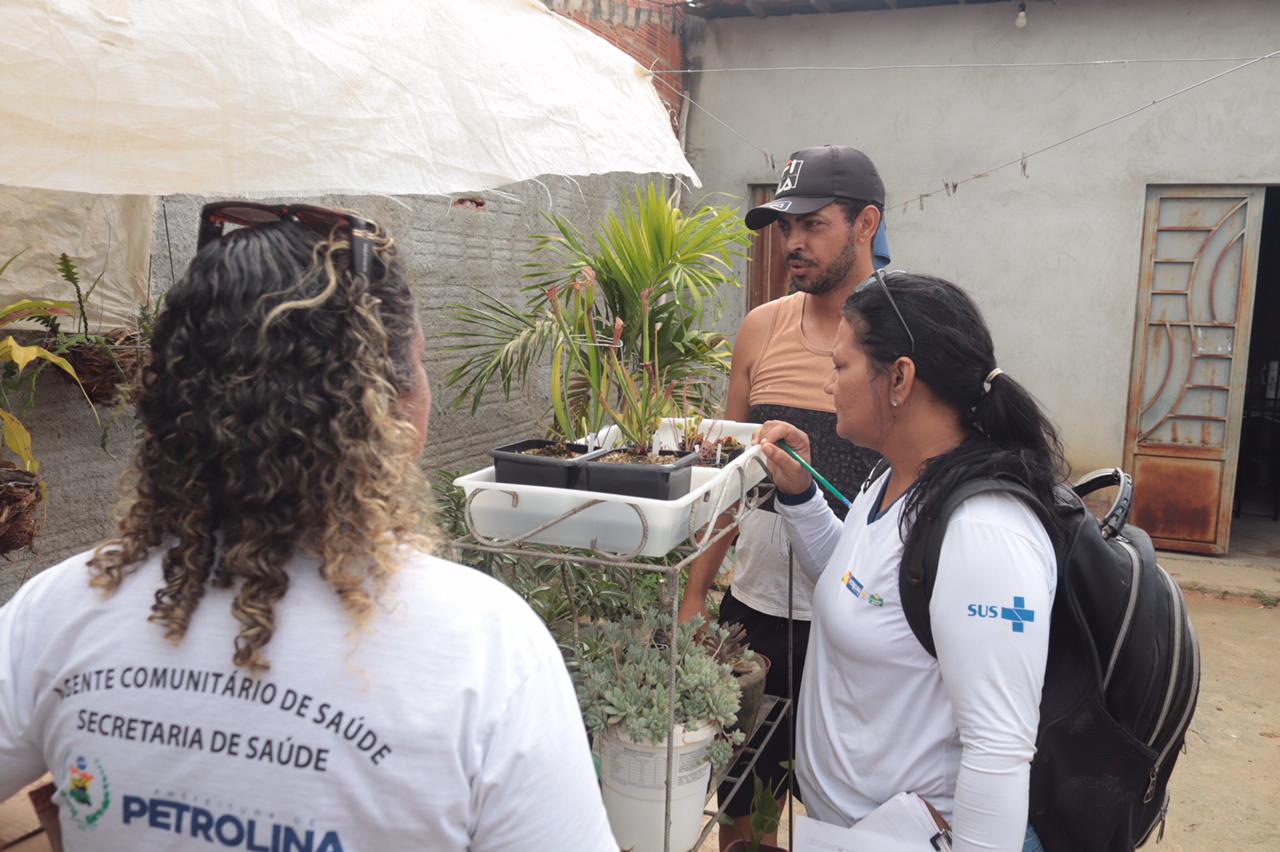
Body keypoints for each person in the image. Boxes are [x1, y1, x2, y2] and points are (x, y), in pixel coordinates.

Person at [0, 204, 617, 851]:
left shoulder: (61, 612)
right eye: (421, 361)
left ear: (173, 402)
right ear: (387, 408)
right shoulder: (484, 648)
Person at [755, 270, 1060, 852]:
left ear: (899, 378)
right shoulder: (896, 478)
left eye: (841, 367)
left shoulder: (985, 535)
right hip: (849, 832)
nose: (827, 387)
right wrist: (798, 494)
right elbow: (859, 592)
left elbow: (997, 751)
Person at [677, 145, 888, 848]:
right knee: (744, 813)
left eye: (813, 225)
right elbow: (730, 483)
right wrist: (696, 597)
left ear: (866, 225)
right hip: (759, 611)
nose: (792, 242)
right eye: (784, 225)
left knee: (849, 820)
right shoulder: (761, 327)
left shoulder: (907, 329)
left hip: (865, 623)